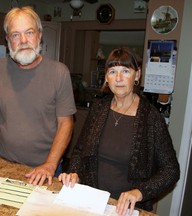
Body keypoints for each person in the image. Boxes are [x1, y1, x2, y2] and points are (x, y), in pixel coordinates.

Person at [58, 47, 180, 215]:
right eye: (113, 71)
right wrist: (75, 174)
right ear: (106, 78)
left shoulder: (151, 118)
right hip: (91, 202)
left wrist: (139, 192)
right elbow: (79, 151)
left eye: (125, 71)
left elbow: (171, 170)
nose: (119, 78)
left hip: (126, 209)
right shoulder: (99, 109)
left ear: (137, 75)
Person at [0, 6, 76, 186]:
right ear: (8, 40)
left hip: (44, 170)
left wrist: (50, 164)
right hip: (3, 164)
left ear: (39, 35)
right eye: (16, 35)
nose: (23, 40)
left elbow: (66, 123)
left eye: (29, 32)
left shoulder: (59, 73)